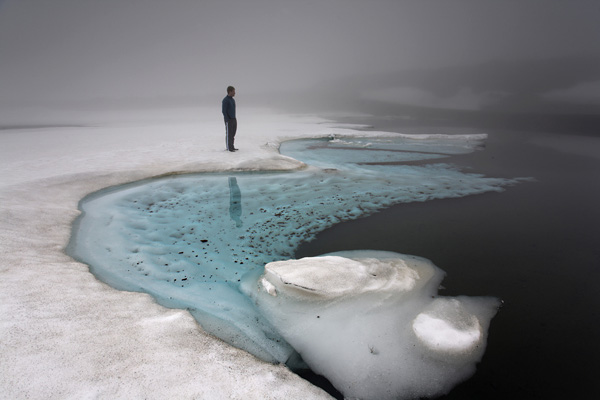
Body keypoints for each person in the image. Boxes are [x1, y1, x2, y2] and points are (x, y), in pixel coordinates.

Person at [222, 86, 237, 152]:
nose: (235, 93)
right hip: (229, 120)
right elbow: (224, 111)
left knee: (233, 133)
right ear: (230, 91)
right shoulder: (225, 100)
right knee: (229, 134)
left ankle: (232, 146)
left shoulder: (232, 100)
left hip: (234, 119)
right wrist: (227, 119)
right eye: (233, 91)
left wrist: (234, 118)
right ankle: (229, 147)